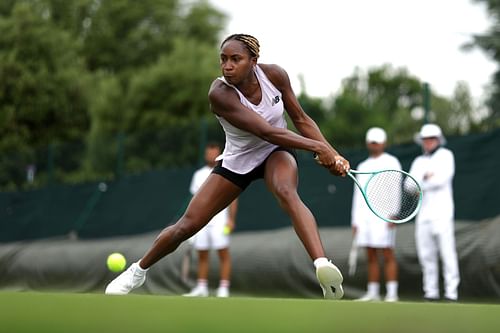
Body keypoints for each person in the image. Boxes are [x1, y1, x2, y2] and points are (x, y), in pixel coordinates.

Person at [105, 33, 350, 299]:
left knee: (287, 192)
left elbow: (301, 119)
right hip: (239, 160)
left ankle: (322, 266)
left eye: (236, 59)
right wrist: (319, 148)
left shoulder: (276, 76)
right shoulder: (219, 93)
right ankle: (137, 271)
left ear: (254, 61)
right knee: (187, 225)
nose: (227, 66)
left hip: (275, 152)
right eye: (223, 59)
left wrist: (333, 154)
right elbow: (266, 131)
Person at [408, 123, 459, 301]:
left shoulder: (446, 156)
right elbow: (408, 186)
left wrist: (420, 183)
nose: (428, 142)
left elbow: (441, 180)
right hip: (423, 216)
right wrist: (425, 177)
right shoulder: (418, 161)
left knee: (447, 253)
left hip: (443, 214)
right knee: (426, 255)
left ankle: (451, 293)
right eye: (425, 139)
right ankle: (431, 292)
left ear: (438, 139)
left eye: (431, 138)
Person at [351, 127, 402, 302]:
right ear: (368, 144)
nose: (374, 145)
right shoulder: (362, 166)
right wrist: (355, 220)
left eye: (377, 142)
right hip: (365, 218)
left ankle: (392, 293)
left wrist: (393, 214)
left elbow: (396, 189)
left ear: (384, 143)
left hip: (384, 216)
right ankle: (372, 292)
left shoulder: (392, 162)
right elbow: (358, 195)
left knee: (387, 253)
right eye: (372, 142)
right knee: (370, 254)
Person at [183, 142, 238, 298]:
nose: (211, 155)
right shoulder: (198, 175)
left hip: (221, 221)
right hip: (201, 222)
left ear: (219, 153)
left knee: (223, 253)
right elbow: (194, 199)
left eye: (214, 152)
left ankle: (224, 288)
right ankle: (202, 287)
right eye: (208, 153)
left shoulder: (227, 171)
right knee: (202, 254)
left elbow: (233, 199)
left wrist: (231, 220)